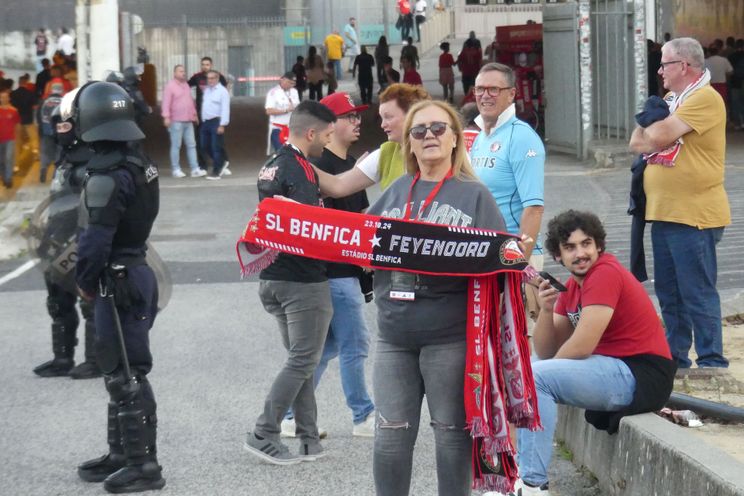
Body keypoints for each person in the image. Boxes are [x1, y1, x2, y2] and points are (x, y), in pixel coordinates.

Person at [365, 99, 506, 496]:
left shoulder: (474, 195)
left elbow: (499, 265)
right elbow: (355, 243)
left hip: (450, 337)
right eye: (419, 130)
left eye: (438, 129)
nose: (429, 136)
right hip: (394, 335)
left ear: (455, 139)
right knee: (390, 434)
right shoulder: (394, 191)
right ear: (408, 143)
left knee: (450, 434)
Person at [490, 210, 675, 496]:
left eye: (586, 244)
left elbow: (582, 344)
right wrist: (547, 311)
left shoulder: (605, 274)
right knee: (529, 369)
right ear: (557, 255)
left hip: (641, 373)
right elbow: (546, 350)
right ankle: (518, 474)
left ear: (598, 245)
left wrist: (538, 378)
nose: (580, 253)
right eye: (570, 247)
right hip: (613, 367)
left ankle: (532, 484)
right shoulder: (571, 289)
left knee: (535, 376)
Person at [71, 81, 165, 493]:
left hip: (118, 279)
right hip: (136, 271)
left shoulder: (105, 177)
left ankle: (145, 466)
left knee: (127, 373)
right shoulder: (138, 163)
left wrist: (84, 284)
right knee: (117, 370)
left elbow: (93, 243)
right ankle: (122, 453)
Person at [244, 100, 337, 465]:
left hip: (272, 277)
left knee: (302, 361)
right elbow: (308, 228)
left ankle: (309, 439)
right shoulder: (300, 170)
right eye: (326, 136)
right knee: (303, 360)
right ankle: (264, 431)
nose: (327, 144)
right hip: (302, 280)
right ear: (311, 133)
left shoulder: (270, 165)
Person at [629, 37, 731, 370]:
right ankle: (676, 358)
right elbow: (635, 142)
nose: (659, 71)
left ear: (682, 66)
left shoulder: (704, 99)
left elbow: (654, 138)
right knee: (671, 295)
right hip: (665, 211)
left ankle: (712, 361)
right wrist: (655, 126)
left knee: (696, 291)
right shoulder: (673, 100)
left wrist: (654, 127)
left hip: (694, 213)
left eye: (664, 64)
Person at [282, 91, 376, 439]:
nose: (357, 122)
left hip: (349, 271)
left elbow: (362, 215)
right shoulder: (318, 170)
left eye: (358, 116)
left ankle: (291, 414)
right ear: (328, 125)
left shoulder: (352, 164)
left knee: (328, 348)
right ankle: (363, 416)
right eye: (349, 116)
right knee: (355, 344)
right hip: (334, 271)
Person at [470, 63, 545, 322]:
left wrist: (520, 266)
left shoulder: (521, 137)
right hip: (488, 256)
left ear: (512, 94)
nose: (485, 95)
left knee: (521, 347)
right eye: (480, 89)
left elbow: (534, 207)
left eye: (493, 89)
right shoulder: (481, 137)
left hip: (515, 257)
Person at [33, 102, 102, 379]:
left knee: (88, 300)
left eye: (66, 126)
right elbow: (57, 202)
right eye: (58, 126)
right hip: (57, 238)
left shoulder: (91, 159)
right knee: (57, 299)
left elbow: (91, 206)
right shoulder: (65, 156)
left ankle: (95, 360)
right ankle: (62, 357)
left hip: (80, 238)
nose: (62, 131)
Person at [315, 83, 430, 198]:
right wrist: (299, 161)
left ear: (412, 115)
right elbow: (339, 187)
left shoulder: (441, 152)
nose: (382, 125)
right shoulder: (386, 153)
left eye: (389, 117)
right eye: (382, 118)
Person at [161, 64, 205, 178]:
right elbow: (166, 103)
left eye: (184, 71)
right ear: (174, 73)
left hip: (188, 120)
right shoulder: (170, 86)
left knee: (191, 145)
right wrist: (166, 116)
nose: (183, 73)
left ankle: (194, 168)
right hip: (176, 120)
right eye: (180, 71)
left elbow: (190, 101)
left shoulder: (186, 85)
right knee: (176, 146)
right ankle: (176, 169)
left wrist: (195, 114)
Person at [188, 56, 228, 170]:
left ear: (211, 65)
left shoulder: (218, 77)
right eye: (203, 64)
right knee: (201, 141)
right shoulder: (196, 77)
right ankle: (203, 165)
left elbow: (224, 92)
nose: (205, 66)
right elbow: (186, 87)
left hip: (216, 116)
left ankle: (224, 161)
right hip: (201, 116)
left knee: (217, 142)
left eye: (207, 64)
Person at [200, 69, 230, 180]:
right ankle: (222, 161)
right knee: (204, 146)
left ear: (217, 78)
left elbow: (225, 109)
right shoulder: (207, 90)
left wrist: (222, 124)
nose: (210, 80)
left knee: (216, 147)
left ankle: (216, 171)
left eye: (212, 78)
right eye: (208, 78)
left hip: (216, 121)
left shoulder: (222, 91)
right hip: (206, 122)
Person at [265, 71, 300, 154]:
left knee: (294, 154)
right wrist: (285, 110)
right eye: (289, 82)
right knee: (281, 153)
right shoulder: (273, 93)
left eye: (293, 83)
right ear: (282, 80)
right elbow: (269, 110)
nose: (291, 85)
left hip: (291, 128)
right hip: (278, 129)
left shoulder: (294, 92)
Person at [36, 82, 64, 183]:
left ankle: (43, 167)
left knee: (45, 152)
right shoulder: (64, 101)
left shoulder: (44, 101)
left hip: (46, 131)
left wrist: (40, 132)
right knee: (59, 152)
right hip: (60, 131)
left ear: (51, 90)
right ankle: (55, 174)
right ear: (61, 90)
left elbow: (38, 118)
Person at [0, 89, 20, 189]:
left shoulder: (14, 110)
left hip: (10, 139)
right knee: (1, 160)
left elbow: (17, 125)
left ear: (9, 98)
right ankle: (3, 177)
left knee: (8, 158)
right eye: (2, 97)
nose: (4, 99)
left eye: (5, 97)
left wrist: (17, 137)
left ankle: (9, 179)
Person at [729, 39, 744, 130]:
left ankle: (737, 124)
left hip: (735, 83)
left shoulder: (731, 56)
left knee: (735, 103)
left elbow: (729, 71)